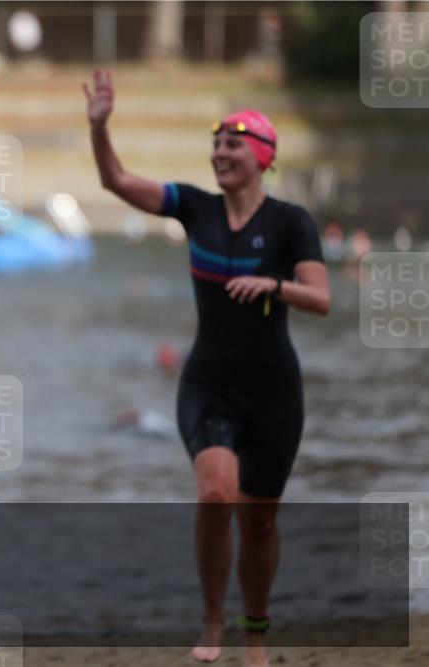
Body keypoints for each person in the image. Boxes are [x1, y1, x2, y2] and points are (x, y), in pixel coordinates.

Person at [83, 69, 330, 667]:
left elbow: (321, 299)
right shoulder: (195, 208)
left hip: (274, 392)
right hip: (208, 384)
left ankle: (255, 637)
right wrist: (99, 127)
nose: (220, 152)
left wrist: (272, 284)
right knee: (216, 495)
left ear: (263, 157)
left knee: (261, 522)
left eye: (233, 143)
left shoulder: (290, 223)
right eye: (216, 143)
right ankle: (213, 623)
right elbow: (116, 181)